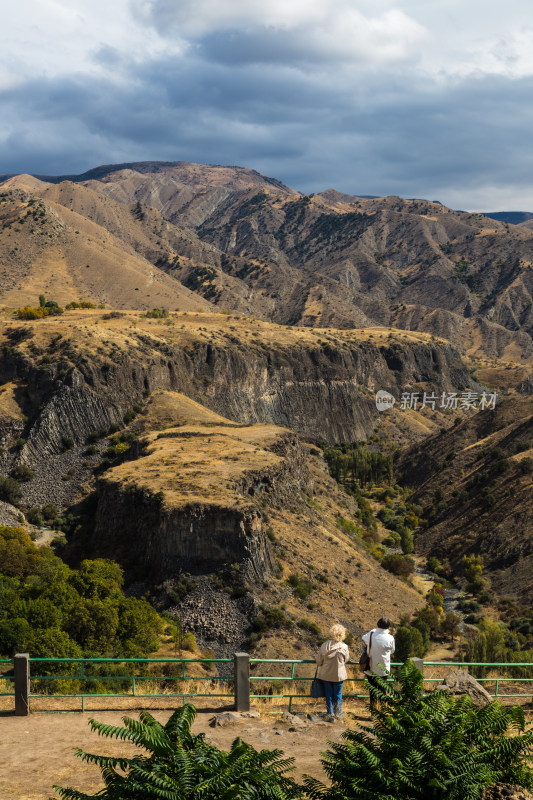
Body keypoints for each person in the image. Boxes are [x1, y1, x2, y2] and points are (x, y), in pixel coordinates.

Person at [316, 623, 350, 721]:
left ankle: (330, 713)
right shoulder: (344, 647)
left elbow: (319, 661)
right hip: (339, 675)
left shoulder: (324, 645)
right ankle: (338, 713)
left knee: (329, 693)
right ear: (342, 634)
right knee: (338, 693)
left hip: (326, 674)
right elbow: (346, 660)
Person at [362, 617, 395, 714]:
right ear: (388, 627)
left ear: (377, 625)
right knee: (382, 691)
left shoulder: (372, 634)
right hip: (383, 669)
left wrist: (373, 631)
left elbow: (363, 638)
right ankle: (382, 713)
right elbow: (392, 651)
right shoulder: (390, 638)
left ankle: (373, 714)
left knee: (372, 692)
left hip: (370, 668)